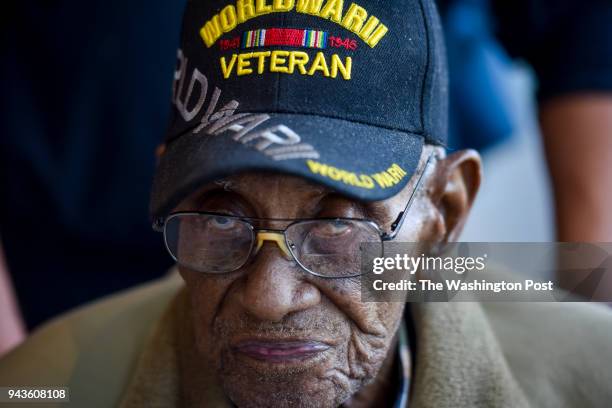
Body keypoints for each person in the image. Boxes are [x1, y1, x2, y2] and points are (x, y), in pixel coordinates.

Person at [1, 0, 611, 407]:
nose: (269, 299)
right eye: (220, 216)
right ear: (166, 190)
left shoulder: (594, 374)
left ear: (444, 213)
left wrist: (580, 336)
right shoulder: (40, 386)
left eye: (338, 227)